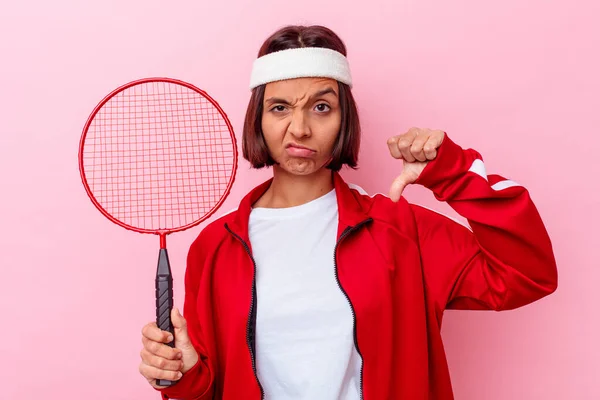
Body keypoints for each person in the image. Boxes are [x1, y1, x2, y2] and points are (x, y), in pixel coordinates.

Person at [138, 25, 558, 400]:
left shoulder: (400, 229)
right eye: (279, 108)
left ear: (344, 120)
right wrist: (185, 376)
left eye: (321, 107)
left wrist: (451, 173)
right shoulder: (214, 247)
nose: (300, 129)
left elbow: (527, 274)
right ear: (258, 120)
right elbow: (209, 391)